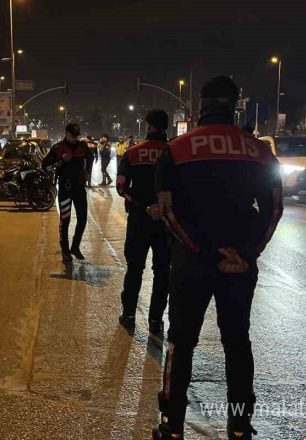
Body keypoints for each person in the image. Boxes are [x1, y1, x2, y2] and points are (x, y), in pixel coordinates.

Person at [152, 76, 284, 440]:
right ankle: (240, 426)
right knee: (237, 342)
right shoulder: (259, 151)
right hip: (240, 264)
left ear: (202, 104)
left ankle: (172, 425)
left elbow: (166, 211)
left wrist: (203, 252)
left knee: (181, 342)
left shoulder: (176, 150)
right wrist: (247, 253)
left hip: (192, 263)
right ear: (235, 104)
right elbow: (274, 209)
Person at [116, 111, 171, 338]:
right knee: (162, 272)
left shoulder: (132, 153)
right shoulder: (174, 152)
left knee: (135, 268)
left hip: (139, 219)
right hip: (167, 222)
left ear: (148, 126)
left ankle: (128, 315)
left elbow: (121, 188)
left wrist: (144, 206)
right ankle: (156, 320)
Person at [42, 123, 90, 264]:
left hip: (79, 189)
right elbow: (45, 167)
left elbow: (91, 158)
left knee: (82, 219)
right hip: (65, 189)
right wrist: (61, 161)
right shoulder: (57, 148)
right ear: (66, 134)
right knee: (65, 220)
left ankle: (75, 247)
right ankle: (65, 251)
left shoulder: (83, 146)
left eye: (77, 136)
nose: (75, 138)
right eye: (72, 136)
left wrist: (88, 172)